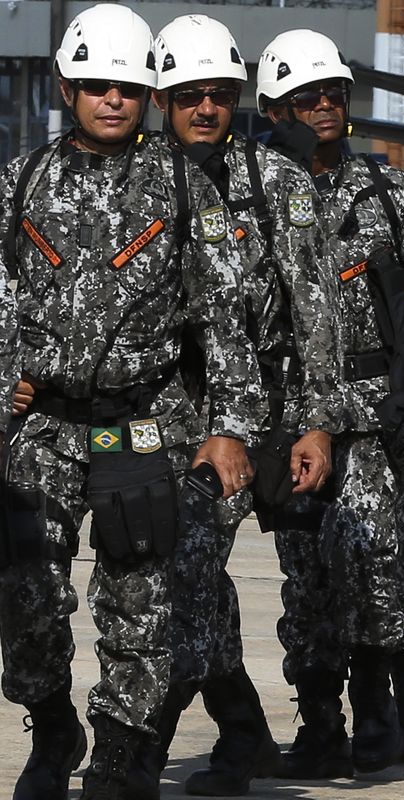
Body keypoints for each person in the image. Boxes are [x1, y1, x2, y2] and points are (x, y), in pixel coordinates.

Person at [0, 5, 260, 796]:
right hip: (45, 425)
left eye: (127, 87)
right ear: (67, 88)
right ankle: (53, 727)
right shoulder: (22, 183)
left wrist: (230, 428)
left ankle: (118, 753)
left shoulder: (184, 188)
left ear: (148, 94)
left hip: (142, 424)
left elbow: (225, 317)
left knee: (140, 604)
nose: (112, 99)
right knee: (25, 595)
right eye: (96, 86)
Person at [257, 28, 404, 775]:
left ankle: (377, 717)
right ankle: (319, 724)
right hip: (287, 413)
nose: (324, 107)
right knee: (305, 576)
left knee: (370, 565)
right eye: (306, 98)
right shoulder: (253, 192)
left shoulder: (388, 192)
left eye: (333, 94)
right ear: (273, 108)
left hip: (372, 416)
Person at [142, 15, 347, 794]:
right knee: (178, 573)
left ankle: (159, 747)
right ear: (161, 99)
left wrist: (318, 424)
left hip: (252, 415)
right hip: (157, 416)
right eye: (188, 95)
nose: (205, 108)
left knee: (191, 571)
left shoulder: (276, 183)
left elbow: (317, 311)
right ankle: (245, 730)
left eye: (220, 94)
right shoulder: (134, 182)